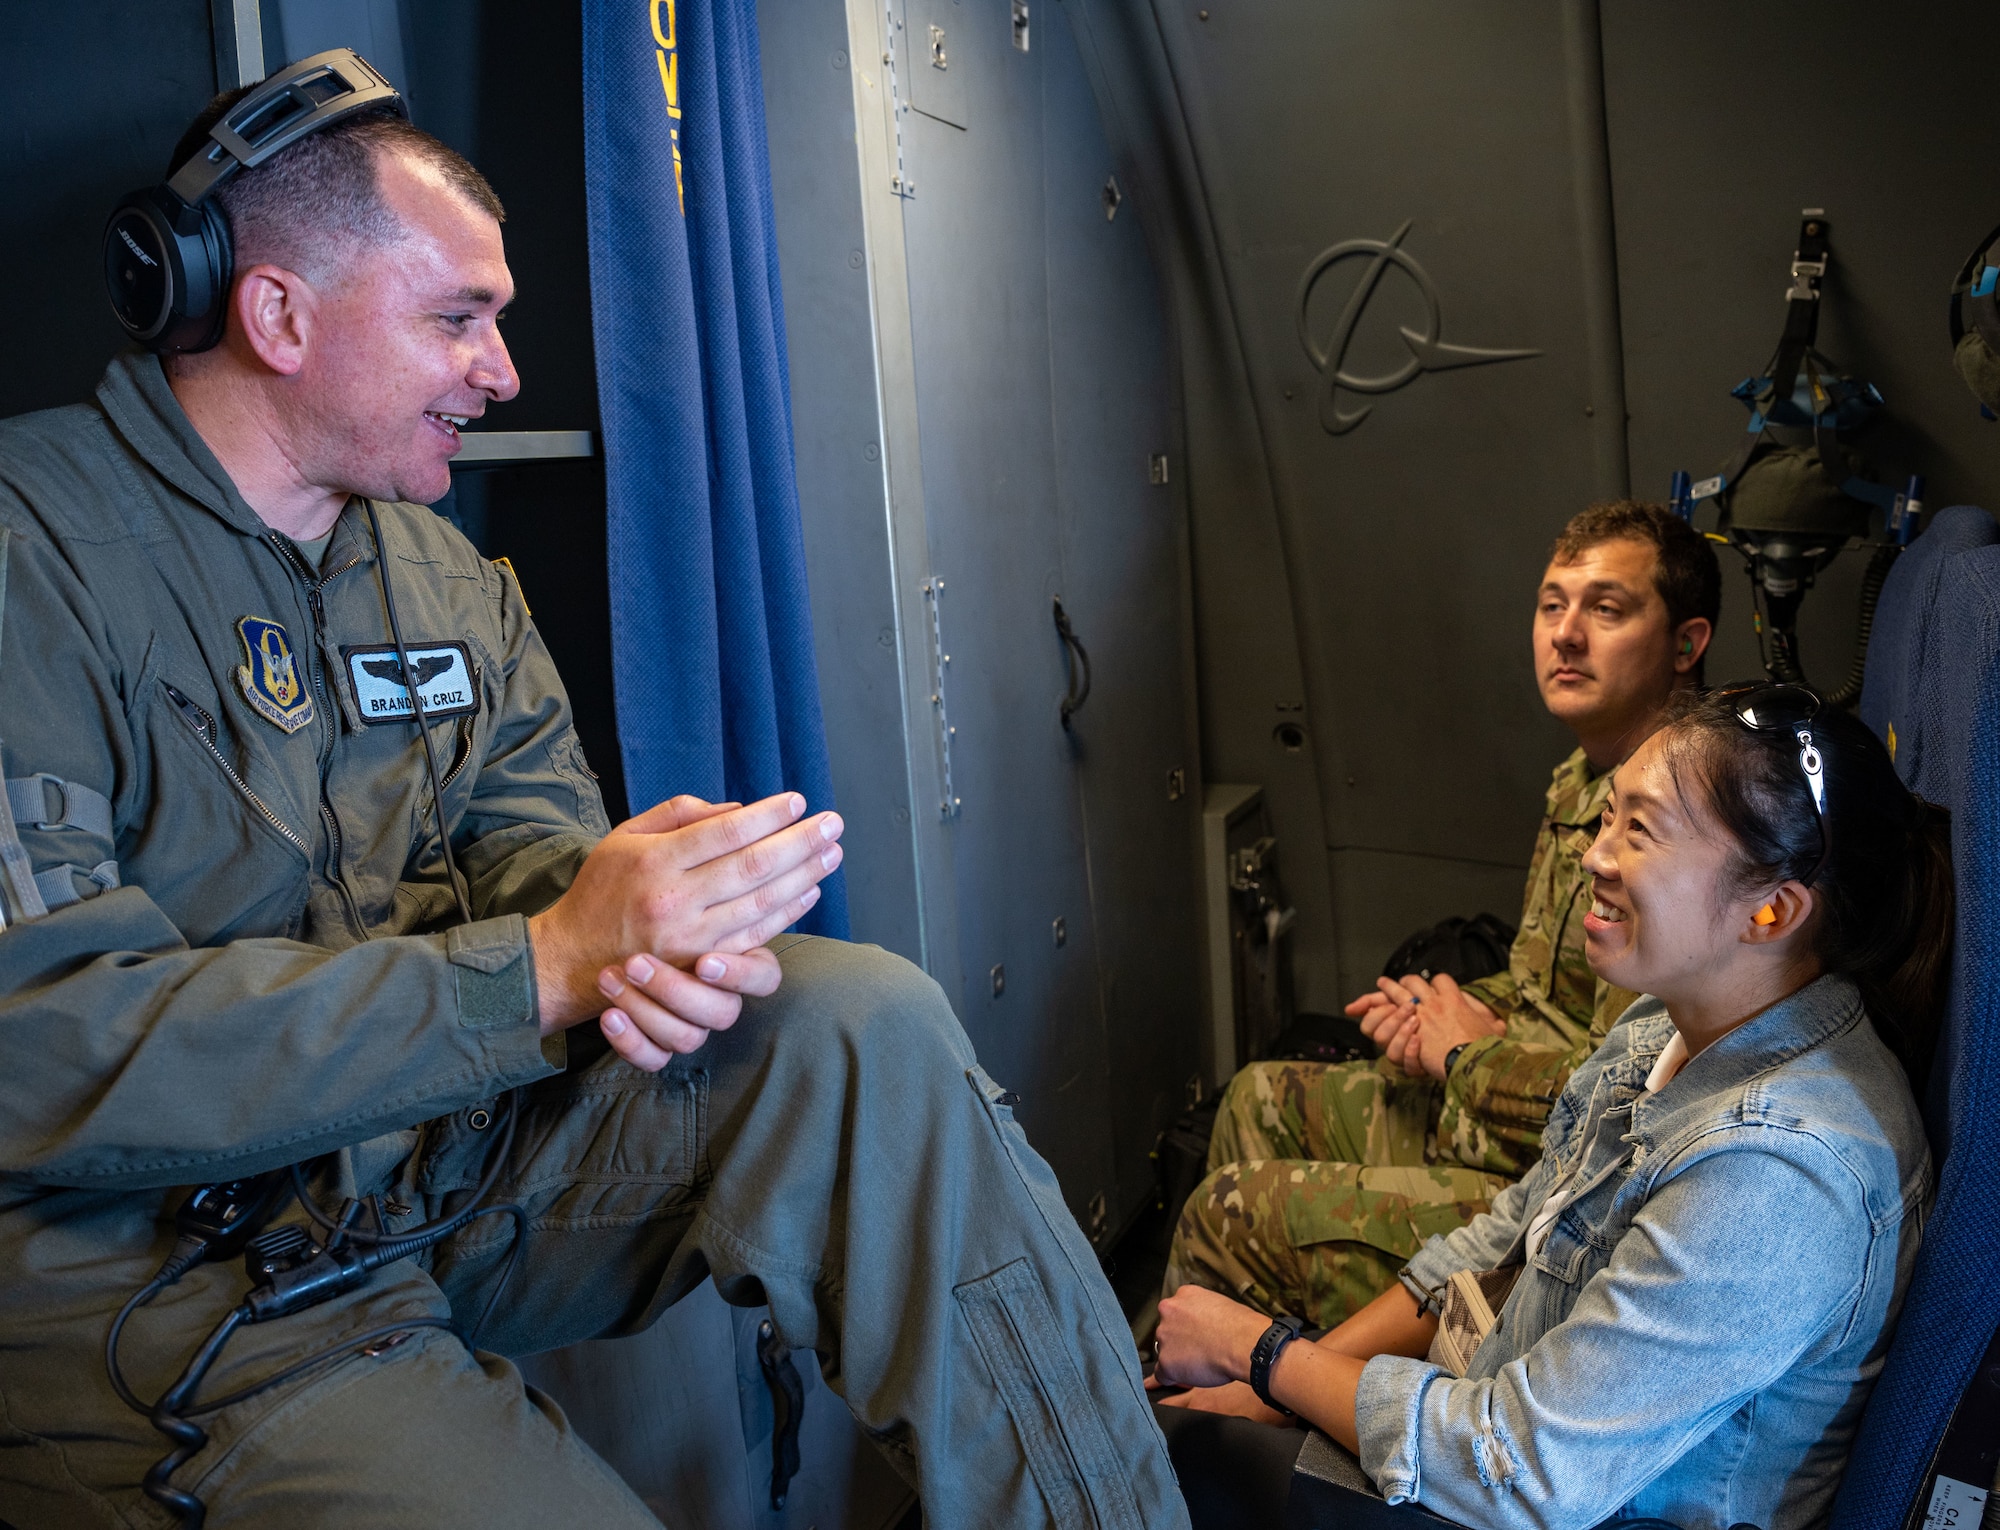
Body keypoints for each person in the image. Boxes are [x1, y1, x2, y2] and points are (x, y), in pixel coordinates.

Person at [0, 79, 1188, 1530]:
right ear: (279, 316)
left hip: (436, 1172)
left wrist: (644, 920)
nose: (503, 371)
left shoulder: (434, 576)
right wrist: (544, 967)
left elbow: (534, 859)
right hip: (171, 1283)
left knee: (860, 1024)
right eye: (458, 319)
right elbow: (42, 1053)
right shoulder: (30, 559)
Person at [1152, 685, 1943, 1529]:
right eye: (1608, 818)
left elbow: (1522, 1471)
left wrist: (1263, 1352)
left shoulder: (1781, 1174)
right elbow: (1509, 1239)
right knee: (1186, 1431)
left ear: (1772, 909)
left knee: (1169, 1466)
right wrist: (1275, 1394)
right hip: (1493, 1427)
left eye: (1639, 831)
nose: (1596, 857)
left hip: (1527, 1492)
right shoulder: (1666, 1023)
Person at [1166, 503, 1720, 1329]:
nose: (1566, 634)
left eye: (1606, 608)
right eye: (1551, 604)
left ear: (1686, 643)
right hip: (1510, 1101)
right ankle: (1274, 1383)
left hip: (1558, 1179)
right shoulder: (1584, 778)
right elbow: (1547, 991)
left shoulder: (1678, 821)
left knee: (1228, 1208)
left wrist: (1463, 1052)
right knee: (1256, 1095)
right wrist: (1438, 1009)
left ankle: (1266, 1396)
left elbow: (1629, 1105)